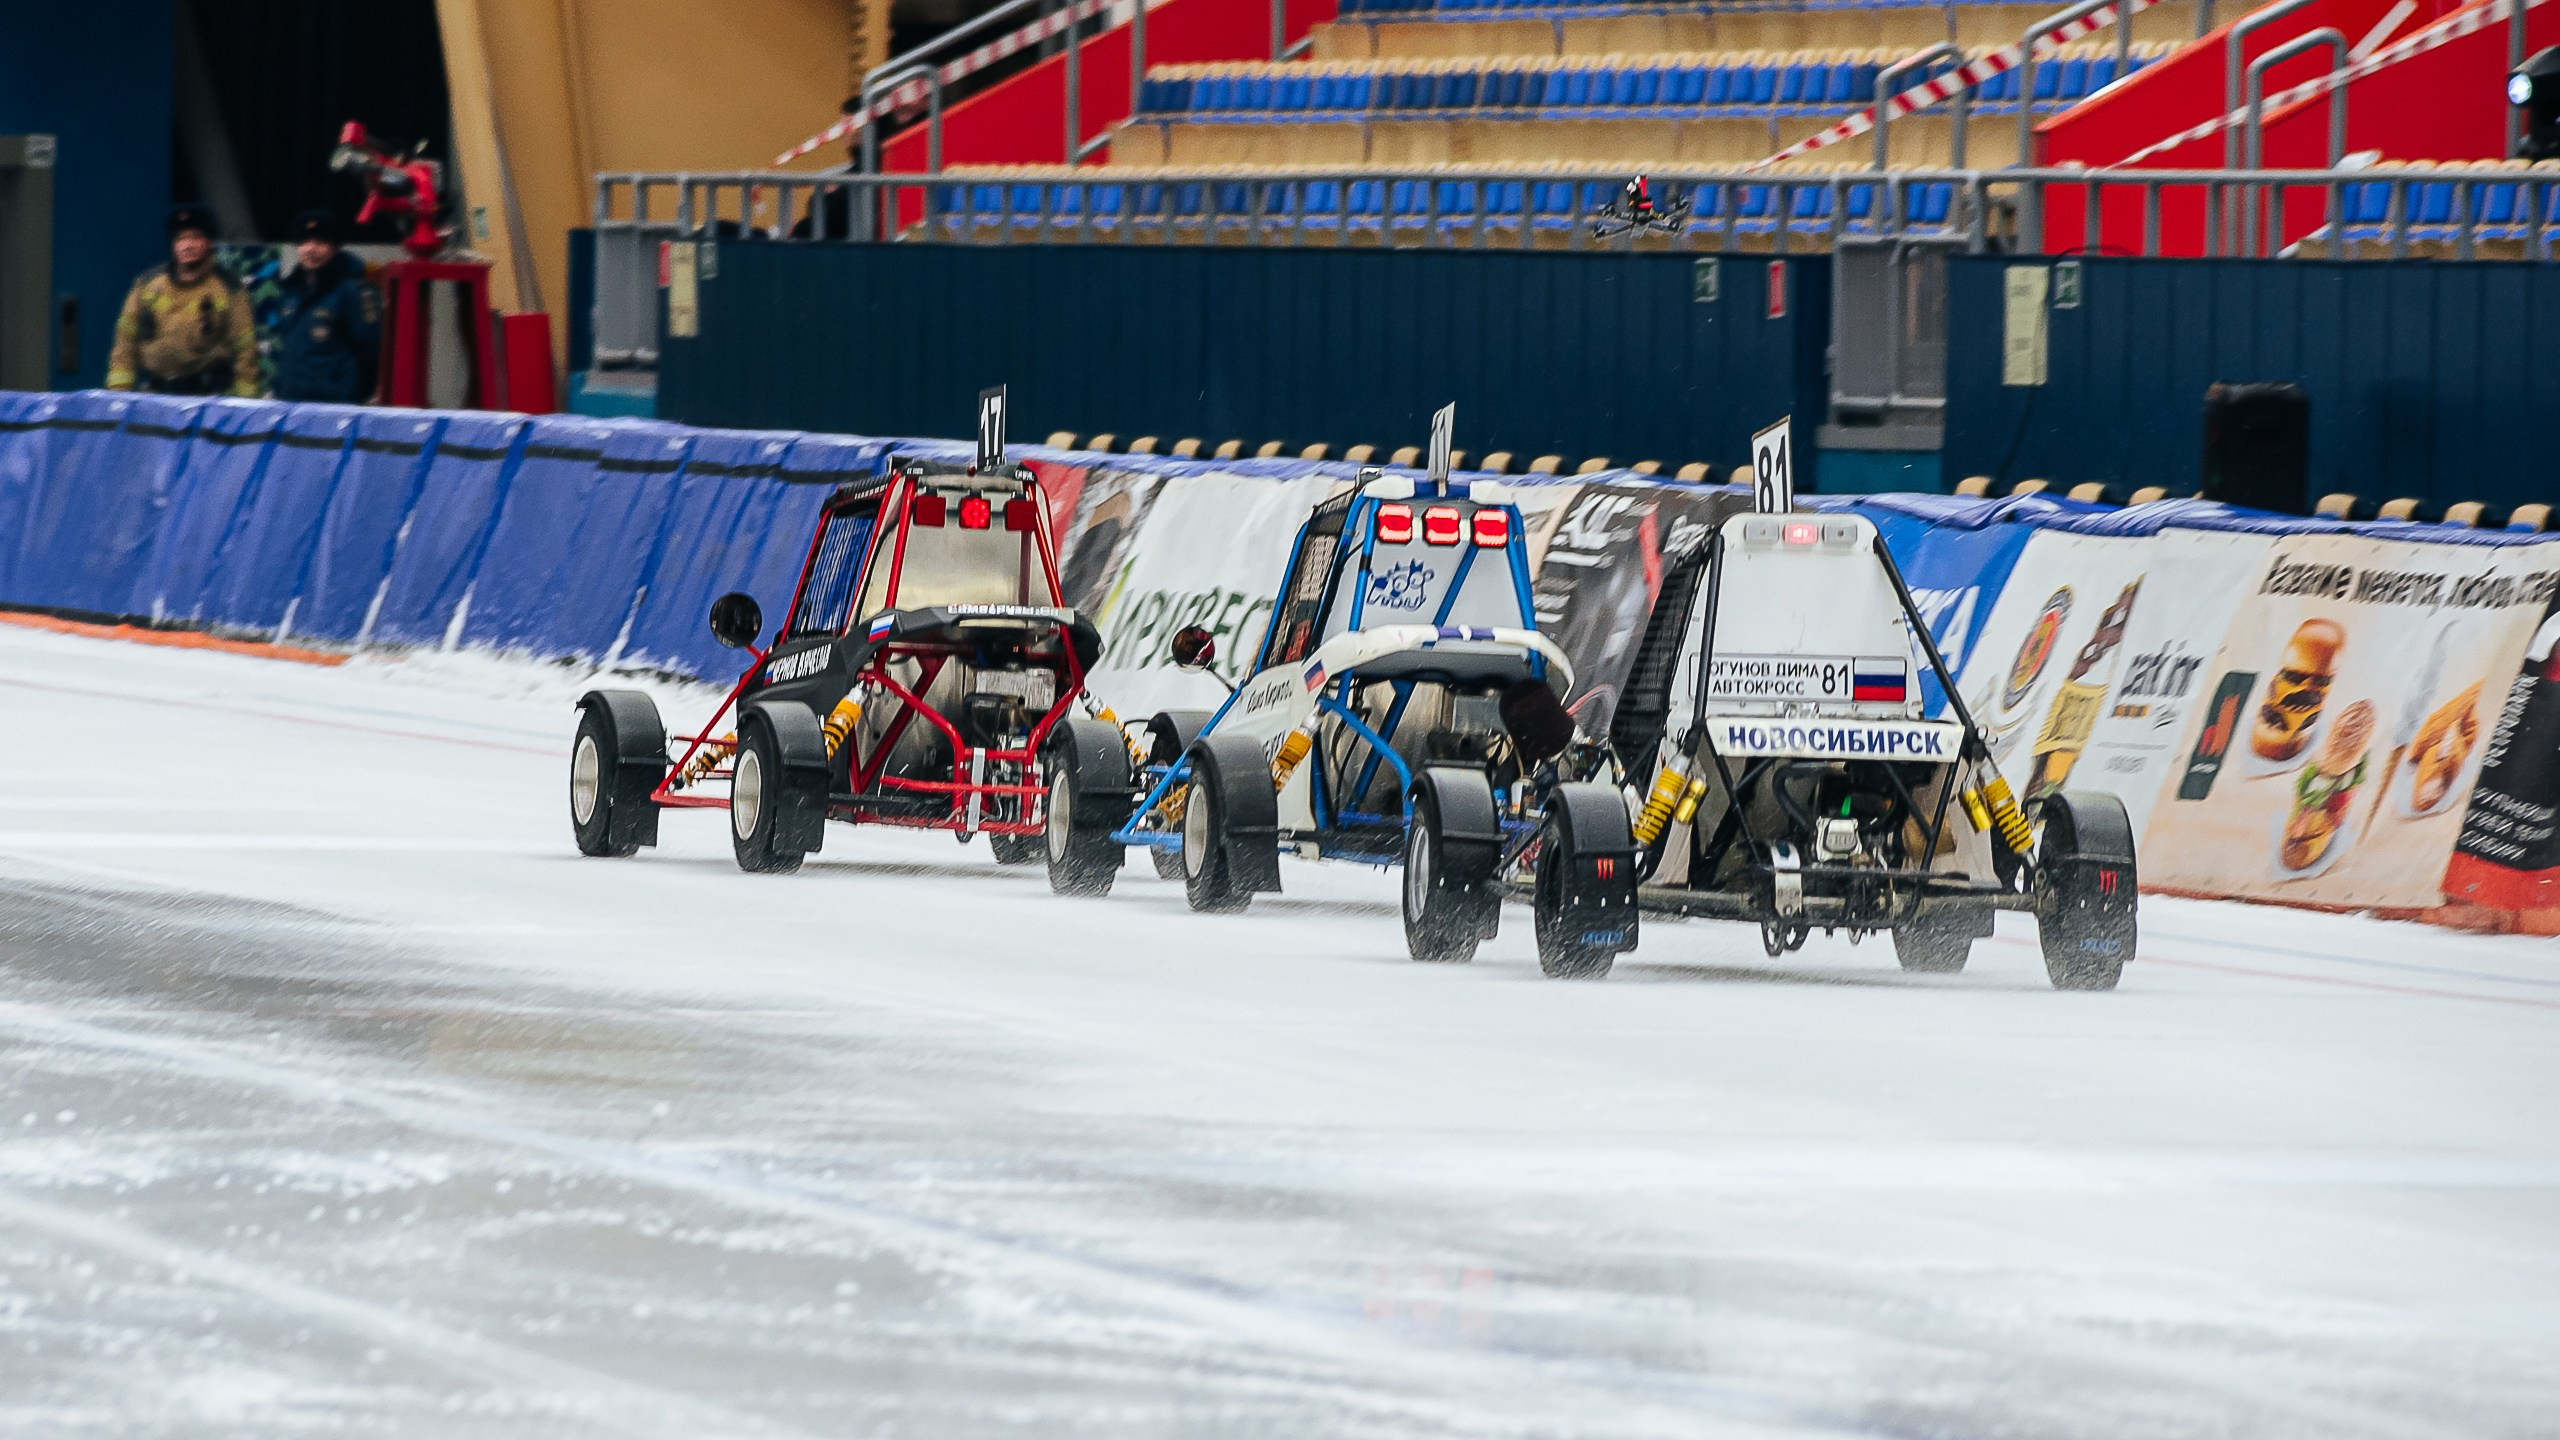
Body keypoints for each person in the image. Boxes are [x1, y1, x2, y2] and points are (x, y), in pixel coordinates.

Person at [106, 204, 262, 396]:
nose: (187, 245)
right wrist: (118, 396)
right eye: (180, 239)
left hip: (207, 399)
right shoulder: (147, 285)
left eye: (195, 237)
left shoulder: (228, 289)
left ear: (209, 242)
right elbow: (125, 343)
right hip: (156, 397)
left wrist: (243, 407)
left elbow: (246, 352)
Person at [270, 209, 380, 403]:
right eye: (304, 242)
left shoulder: (353, 290)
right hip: (290, 401)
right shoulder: (291, 290)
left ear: (335, 248)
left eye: (320, 242)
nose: (310, 249)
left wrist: (361, 396)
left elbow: (371, 348)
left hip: (334, 405)